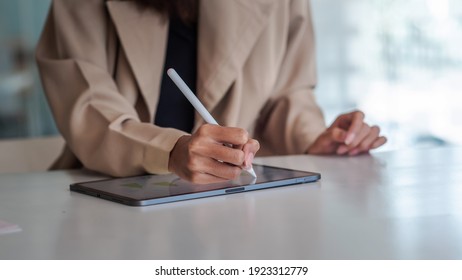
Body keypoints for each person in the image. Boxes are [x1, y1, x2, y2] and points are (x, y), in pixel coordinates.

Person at [36, 0, 386, 184]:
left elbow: (288, 92)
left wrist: (316, 139)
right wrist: (169, 151)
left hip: (229, 201)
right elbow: (88, 106)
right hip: (110, 190)